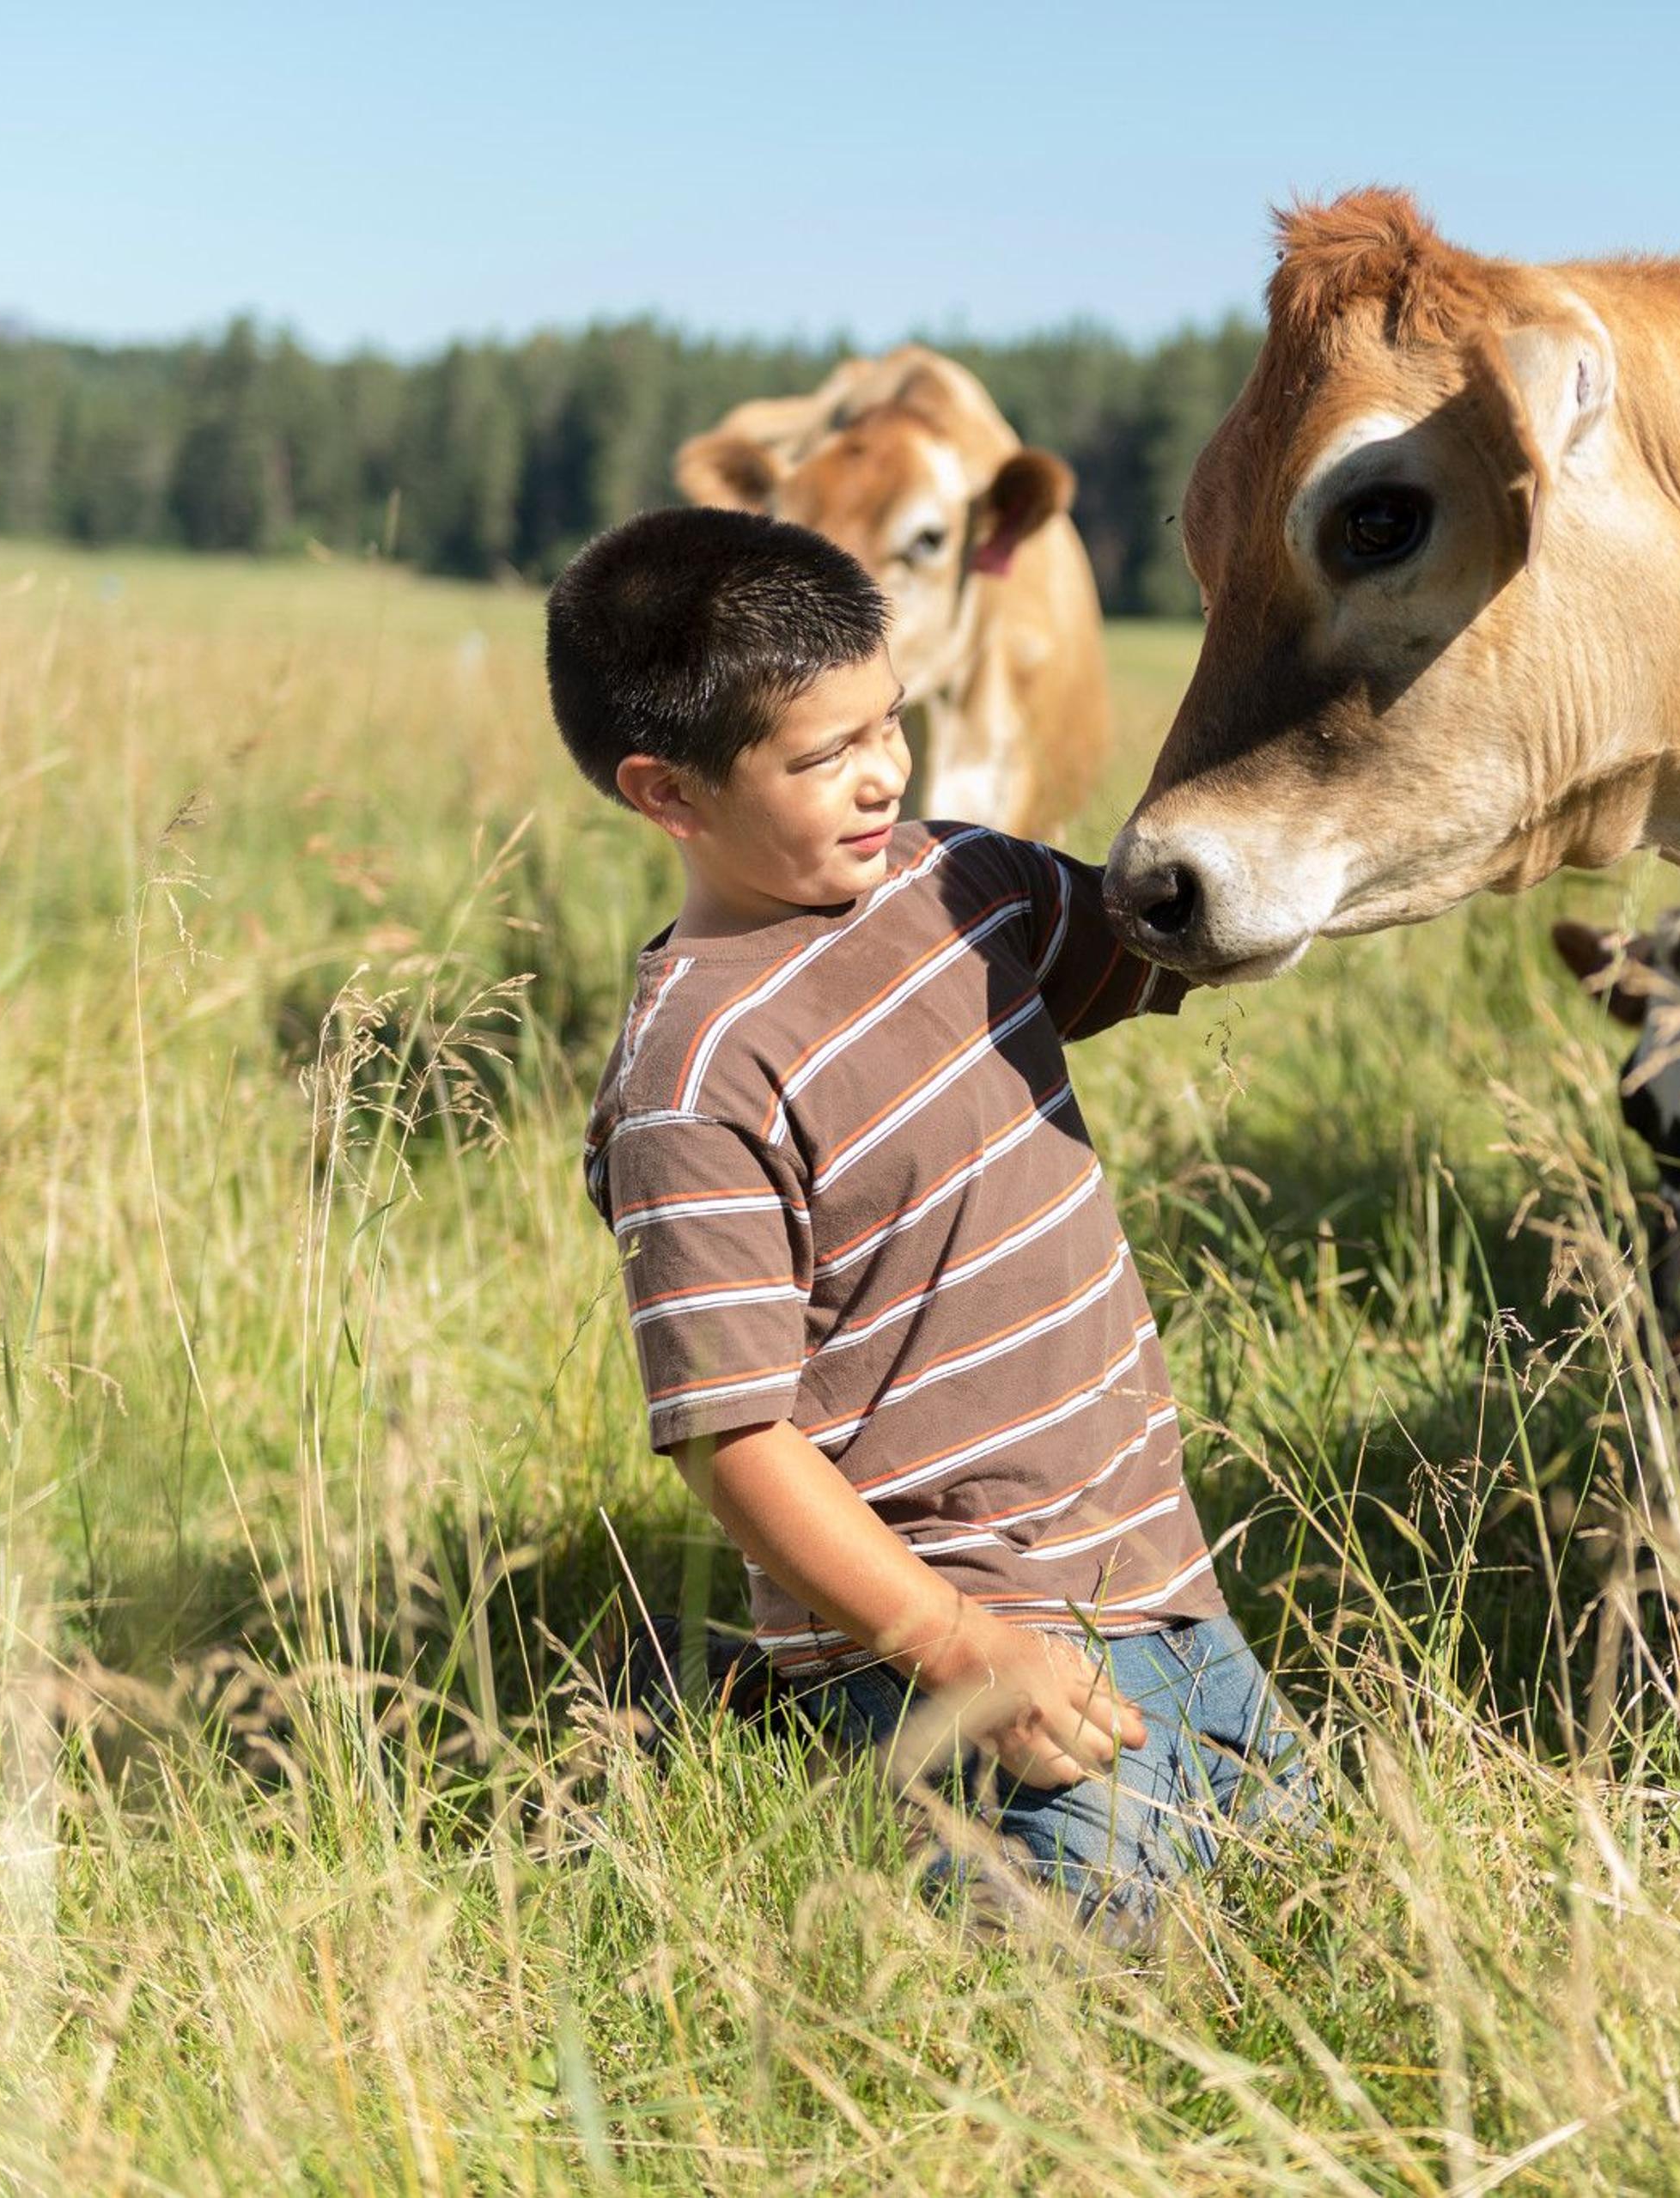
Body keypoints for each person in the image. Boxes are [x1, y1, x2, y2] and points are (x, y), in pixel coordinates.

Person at [545, 504, 1307, 1939]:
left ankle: (728, 1703)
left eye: (888, 723)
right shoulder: (696, 1085)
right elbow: (732, 1439)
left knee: (1311, 1898)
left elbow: (1179, 931)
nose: (879, 774)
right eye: (820, 755)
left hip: (1163, 1577)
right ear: (669, 795)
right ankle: (750, 1727)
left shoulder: (960, 885)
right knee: (1103, 1970)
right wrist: (958, 1650)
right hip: (964, 1629)